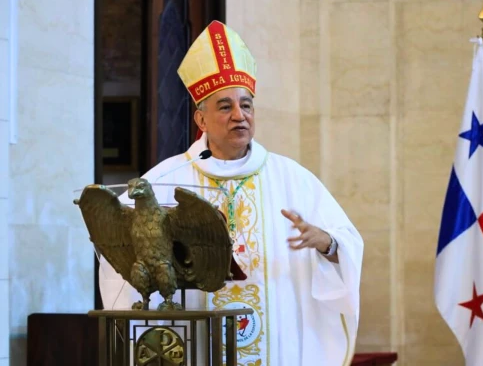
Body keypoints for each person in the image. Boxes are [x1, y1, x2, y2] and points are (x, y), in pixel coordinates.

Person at [98, 20, 364, 366]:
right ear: (201, 120)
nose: (240, 115)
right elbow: (119, 258)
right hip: (193, 348)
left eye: (247, 105)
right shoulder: (164, 181)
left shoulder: (293, 179)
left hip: (277, 347)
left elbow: (347, 245)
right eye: (225, 107)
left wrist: (326, 242)